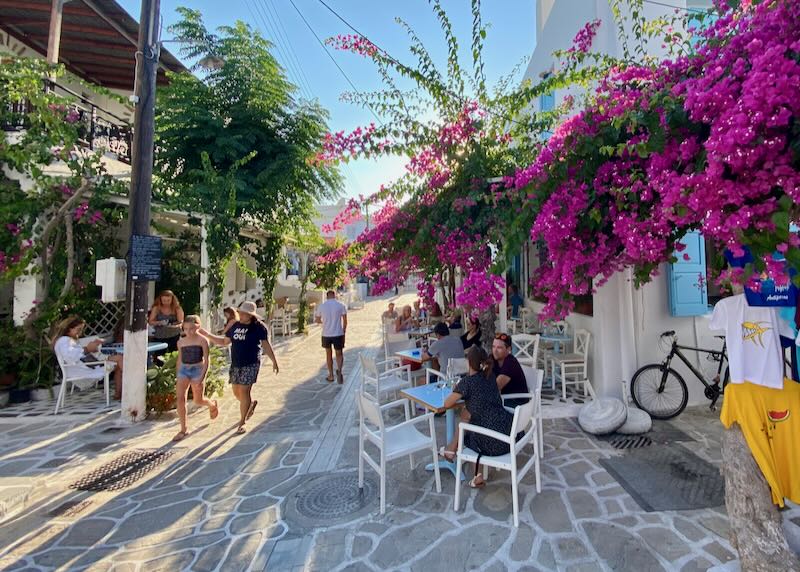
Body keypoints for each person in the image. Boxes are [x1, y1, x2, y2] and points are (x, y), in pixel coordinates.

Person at [440, 346, 520, 488]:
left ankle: (457, 457)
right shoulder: (490, 376)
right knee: (467, 416)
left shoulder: (467, 382)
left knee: (468, 432)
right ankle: (452, 452)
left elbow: (447, 404)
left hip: (493, 443)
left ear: (469, 362)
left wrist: (458, 388)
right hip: (508, 434)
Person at [200, 301, 279, 435]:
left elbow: (266, 345)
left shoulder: (259, 327)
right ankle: (250, 405)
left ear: (251, 315)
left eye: (245, 314)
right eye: (241, 312)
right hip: (236, 363)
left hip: (251, 362)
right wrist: (206, 334)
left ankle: (242, 422)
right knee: (236, 391)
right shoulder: (235, 326)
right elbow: (224, 342)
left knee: (244, 391)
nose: (242, 315)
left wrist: (274, 361)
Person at [52, 316, 125, 400]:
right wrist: (87, 349)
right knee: (119, 359)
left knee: (118, 360)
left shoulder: (66, 340)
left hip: (86, 367)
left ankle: (118, 394)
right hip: (83, 371)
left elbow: (77, 353)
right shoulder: (64, 340)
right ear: (69, 329)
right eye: (78, 330)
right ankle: (127, 388)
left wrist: (91, 348)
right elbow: (70, 356)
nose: (80, 333)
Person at [173, 315, 219, 442]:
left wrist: (202, 376)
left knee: (198, 400)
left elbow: (206, 360)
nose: (189, 331)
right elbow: (179, 359)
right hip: (184, 370)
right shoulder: (181, 342)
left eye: (192, 328)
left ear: (198, 327)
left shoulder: (202, 340)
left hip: (197, 370)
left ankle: (211, 404)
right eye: (186, 328)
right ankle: (183, 429)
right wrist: (178, 374)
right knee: (180, 399)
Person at [315, 290, 348, 383]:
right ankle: (340, 370)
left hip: (326, 334)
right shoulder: (341, 305)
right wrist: (344, 330)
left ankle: (331, 375)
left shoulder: (322, 306)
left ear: (327, 296)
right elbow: (345, 321)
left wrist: (323, 324)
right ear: (334, 295)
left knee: (328, 355)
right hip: (338, 333)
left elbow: (317, 319)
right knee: (339, 353)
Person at [492, 333, 530, 407]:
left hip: (517, 403)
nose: (495, 351)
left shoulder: (510, 363)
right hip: (505, 399)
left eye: (499, 348)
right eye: (493, 347)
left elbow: (495, 387)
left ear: (508, 349)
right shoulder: (493, 359)